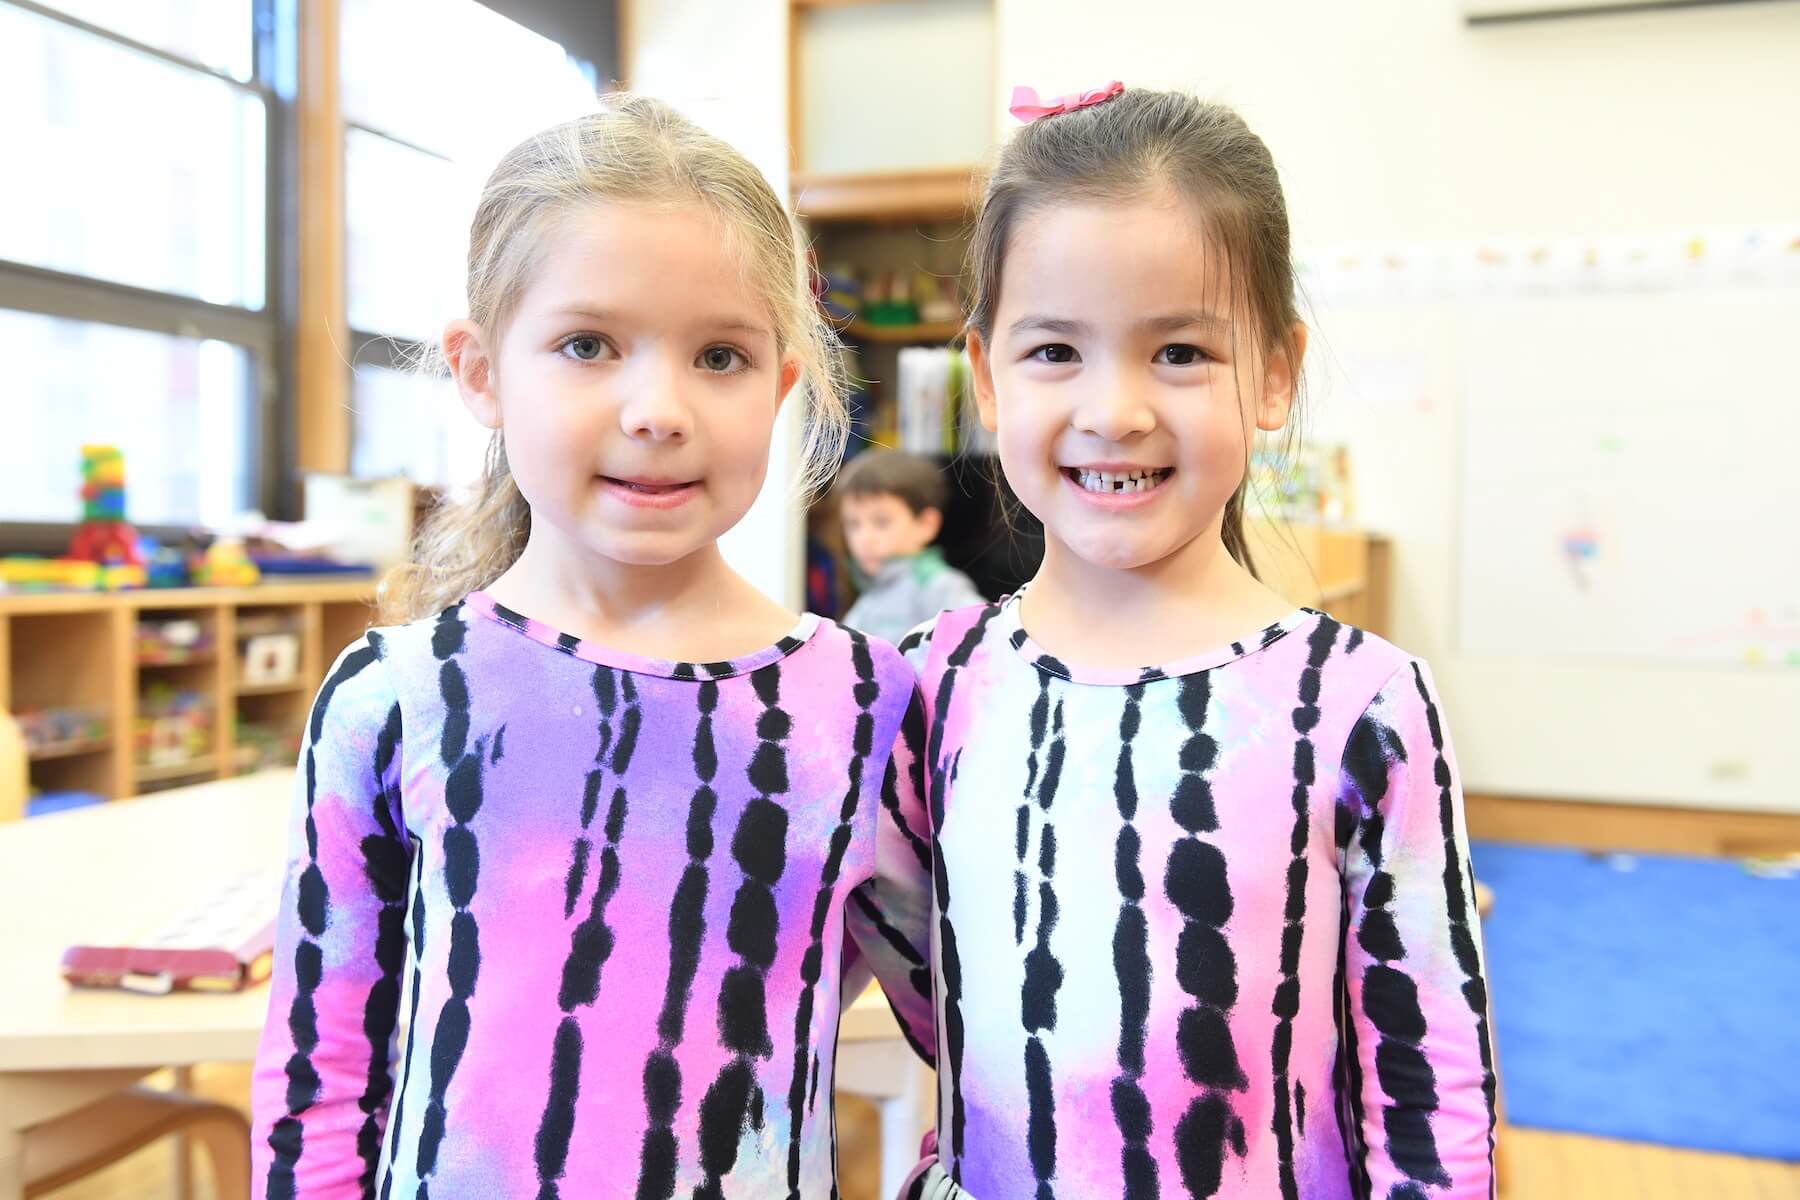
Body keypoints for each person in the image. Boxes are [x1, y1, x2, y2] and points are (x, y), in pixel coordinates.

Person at [250, 96, 927, 1200]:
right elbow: (321, 1079)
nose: (658, 408)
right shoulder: (398, 698)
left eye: (720, 355)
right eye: (586, 345)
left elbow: (985, 1037)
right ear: (479, 373)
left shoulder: (860, 704)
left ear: (782, 387)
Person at [870, 83, 1497, 1199]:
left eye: (1179, 354)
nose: (1114, 409)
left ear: (1274, 371)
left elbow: (1428, 1068)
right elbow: (937, 994)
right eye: (1055, 351)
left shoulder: (1359, 703)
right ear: (985, 377)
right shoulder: (926, 685)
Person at [838, 449, 985, 644]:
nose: (865, 538)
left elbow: (984, 638)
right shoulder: (870, 592)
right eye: (854, 524)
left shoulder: (939, 586)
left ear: (926, 524)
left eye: (882, 522)